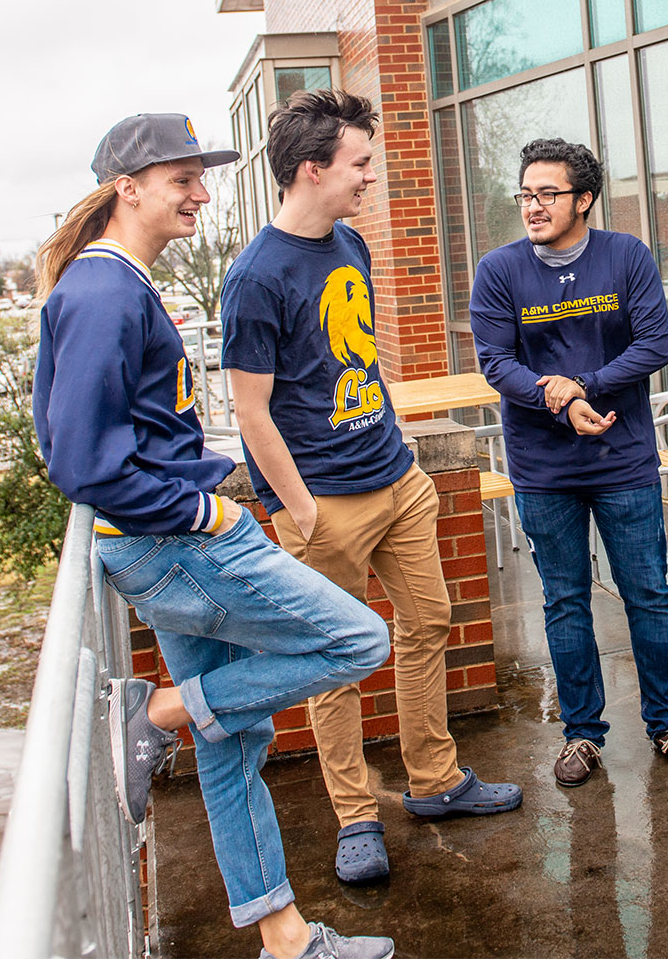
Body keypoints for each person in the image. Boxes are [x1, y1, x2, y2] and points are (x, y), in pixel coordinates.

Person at [32, 112, 396, 959]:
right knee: (360, 637)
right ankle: (156, 711)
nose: (201, 193)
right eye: (181, 179)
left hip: (164, 541)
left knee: (231, 740)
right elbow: (80, 458)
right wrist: (205, 510)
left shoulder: (119, 282)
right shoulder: (102, 292)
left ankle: (285, 939)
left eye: (202, 176)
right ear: (128, 188)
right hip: (179, 544)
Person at [220, 89, 522, 885]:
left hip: (398, 480)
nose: (370, 179)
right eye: (359, 165)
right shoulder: (254, 277)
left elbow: (351, 361)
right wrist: (301, 511)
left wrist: (400, 455)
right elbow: (250, 410)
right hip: (326, 506)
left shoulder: (348, 242)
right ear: (312, 168)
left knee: (428, 624)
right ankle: (356, 817)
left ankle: (435, 780)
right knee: (334, 662)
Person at [469, 137, 668, 788]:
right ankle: (582, 734)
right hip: (544, 469)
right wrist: (557, 397)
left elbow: (654, 344)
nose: (533, 205)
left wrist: (584, 387)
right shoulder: (500, 270)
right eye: (526, 193)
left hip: (623, 458)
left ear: (584, 198)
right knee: (565, 600)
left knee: (648, 594)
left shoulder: (625, 256)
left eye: (548, 193)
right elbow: (497, 363)